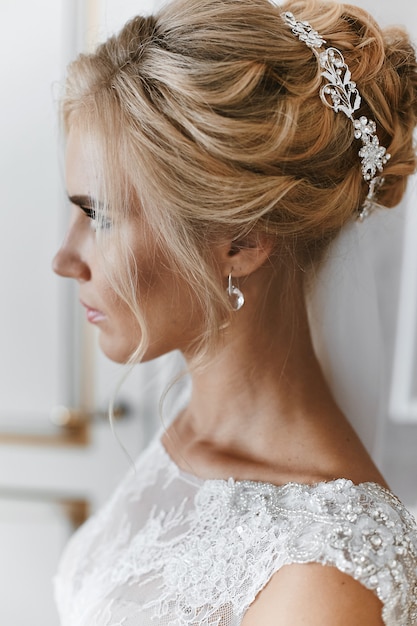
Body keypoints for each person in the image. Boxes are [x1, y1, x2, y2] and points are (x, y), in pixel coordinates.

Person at [52, 0, 417, 624]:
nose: (65, 259)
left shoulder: (322, 577)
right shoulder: (191, 430)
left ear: (242, 242)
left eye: (101, 216)